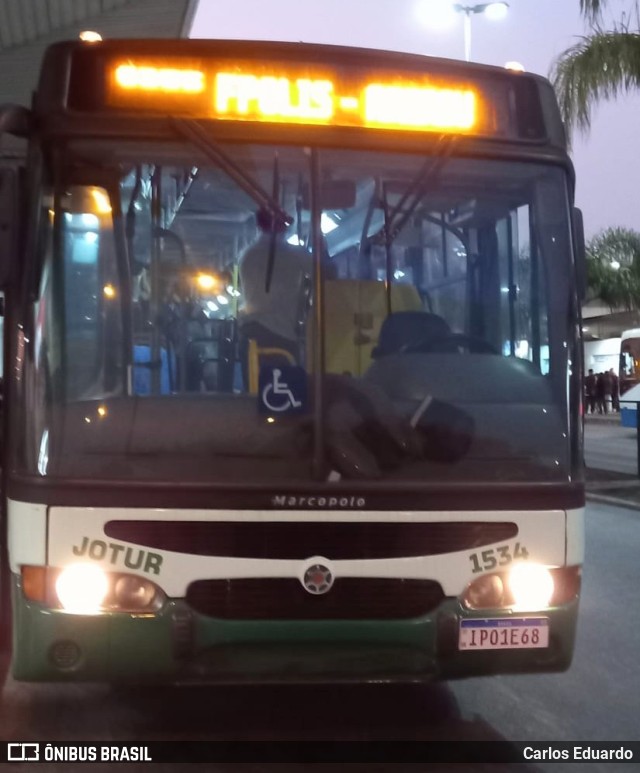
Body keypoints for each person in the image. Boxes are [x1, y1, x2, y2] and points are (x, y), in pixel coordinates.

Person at [238, 208, 313, 384]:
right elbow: (327, 274)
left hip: (248, 333)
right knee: (286, 399)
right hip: (280, 335)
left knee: (254, 395)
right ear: (284, 227)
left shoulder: (246, 255)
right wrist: (320, 248)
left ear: (258, 225)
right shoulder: (295, 254)